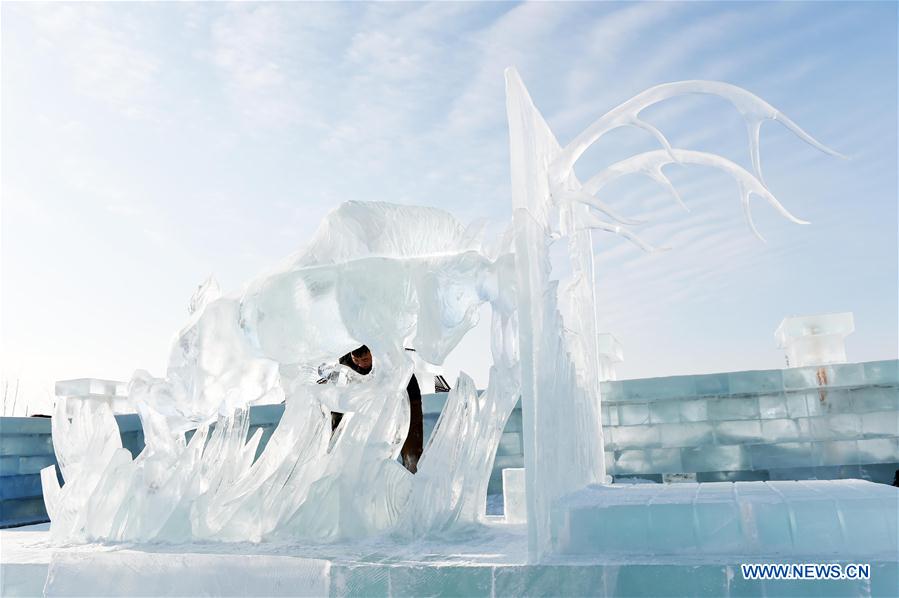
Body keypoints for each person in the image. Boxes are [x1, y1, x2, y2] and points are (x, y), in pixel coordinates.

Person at [327, 345, 423, 474]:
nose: (360, 364)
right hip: (370, 401)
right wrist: (335, 431)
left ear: (373, 353)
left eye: (365, 360)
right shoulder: (345, 360)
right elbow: (340, 399)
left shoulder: (388, 357)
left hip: (405, 394)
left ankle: (412, 470)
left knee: (410, 442)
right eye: (356, 360)